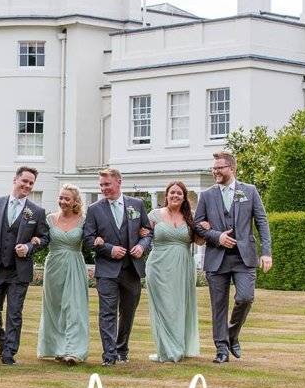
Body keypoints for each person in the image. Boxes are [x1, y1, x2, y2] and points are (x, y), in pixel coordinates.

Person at [194, 151, 272, 364]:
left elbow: (262, 223)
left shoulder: (250, 191)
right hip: (216, 258)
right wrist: (217, 236)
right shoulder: (207, 195)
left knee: (245, 298)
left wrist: (266, 252)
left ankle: (232, 334)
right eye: (214, 168)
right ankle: (221, 349)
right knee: (218, 305)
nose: (215, 171)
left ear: (232, 168)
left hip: (244, 258)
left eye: (219, 168)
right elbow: (198, 225)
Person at [0, 166, 49, 365]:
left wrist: (28, 246)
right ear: (15, 179)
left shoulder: (37, 211)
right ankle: (2, 341)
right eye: (24, 181)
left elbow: (44, 238)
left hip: (19, 270)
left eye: (31, 183)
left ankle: (9, 353)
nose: (27, 185)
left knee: (14, 312)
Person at [83, 168, 152, 366]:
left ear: (119, 182)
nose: (104, 188)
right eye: (101, 185)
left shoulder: (136, 204)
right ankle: (109, 355)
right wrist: (109, 249)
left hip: (132, 269)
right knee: (107, 312)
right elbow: (88, 240)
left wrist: (141, 246)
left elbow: (147, 233)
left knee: (128, 312)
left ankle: (122, 348)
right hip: (107, 270)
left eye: (107, 184)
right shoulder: (94, 209)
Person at [143, 181, 201, 363]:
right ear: (166, 195)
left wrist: (205, 229)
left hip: (183, 266)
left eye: (179, 193)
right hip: (158, 266)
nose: (175, 196)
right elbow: (143, 236)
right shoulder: (154, 215)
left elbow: (199, 242)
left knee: (178, 306)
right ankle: (166, 350)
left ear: (184, 198)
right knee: (163, 307)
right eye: (172, 193)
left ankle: (178, 347)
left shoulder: (190, 217)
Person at [37, 185, 90, 365]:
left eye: (67, 199)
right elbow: (42, 239)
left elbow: (92, 239)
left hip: (74, 264)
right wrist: (34, 241)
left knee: (75, 308)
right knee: (55, 307)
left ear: (75, 201)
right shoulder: (50, 219)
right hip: (53, 265)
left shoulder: (84, 220)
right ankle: (57, 348)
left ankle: (74, 351)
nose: (63, 202)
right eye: (61, 198)